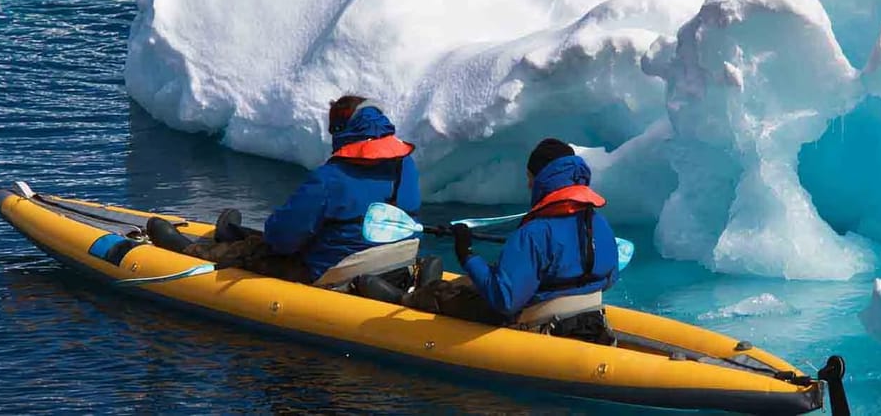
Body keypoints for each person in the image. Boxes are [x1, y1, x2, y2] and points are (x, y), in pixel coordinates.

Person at [360, 138, 619, 344]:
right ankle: (426, 288)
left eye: (530, 178)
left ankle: (405, 300)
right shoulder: (599, 224)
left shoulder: (534, 233)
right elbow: (609, 278)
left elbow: (504, 300)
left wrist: (467, 255)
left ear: (543, 179)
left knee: (459, 292)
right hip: (582, 314)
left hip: (538, 321)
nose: (529, 186)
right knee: (479, 280)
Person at [148, 95, 421, 284]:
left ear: (342, 130)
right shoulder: (405, 166)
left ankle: (186, 250)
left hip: (329, 269)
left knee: (258, 250)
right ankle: (236, 235)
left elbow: (283, 239)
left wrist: (274, 236)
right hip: (388, 262)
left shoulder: (330, 178)